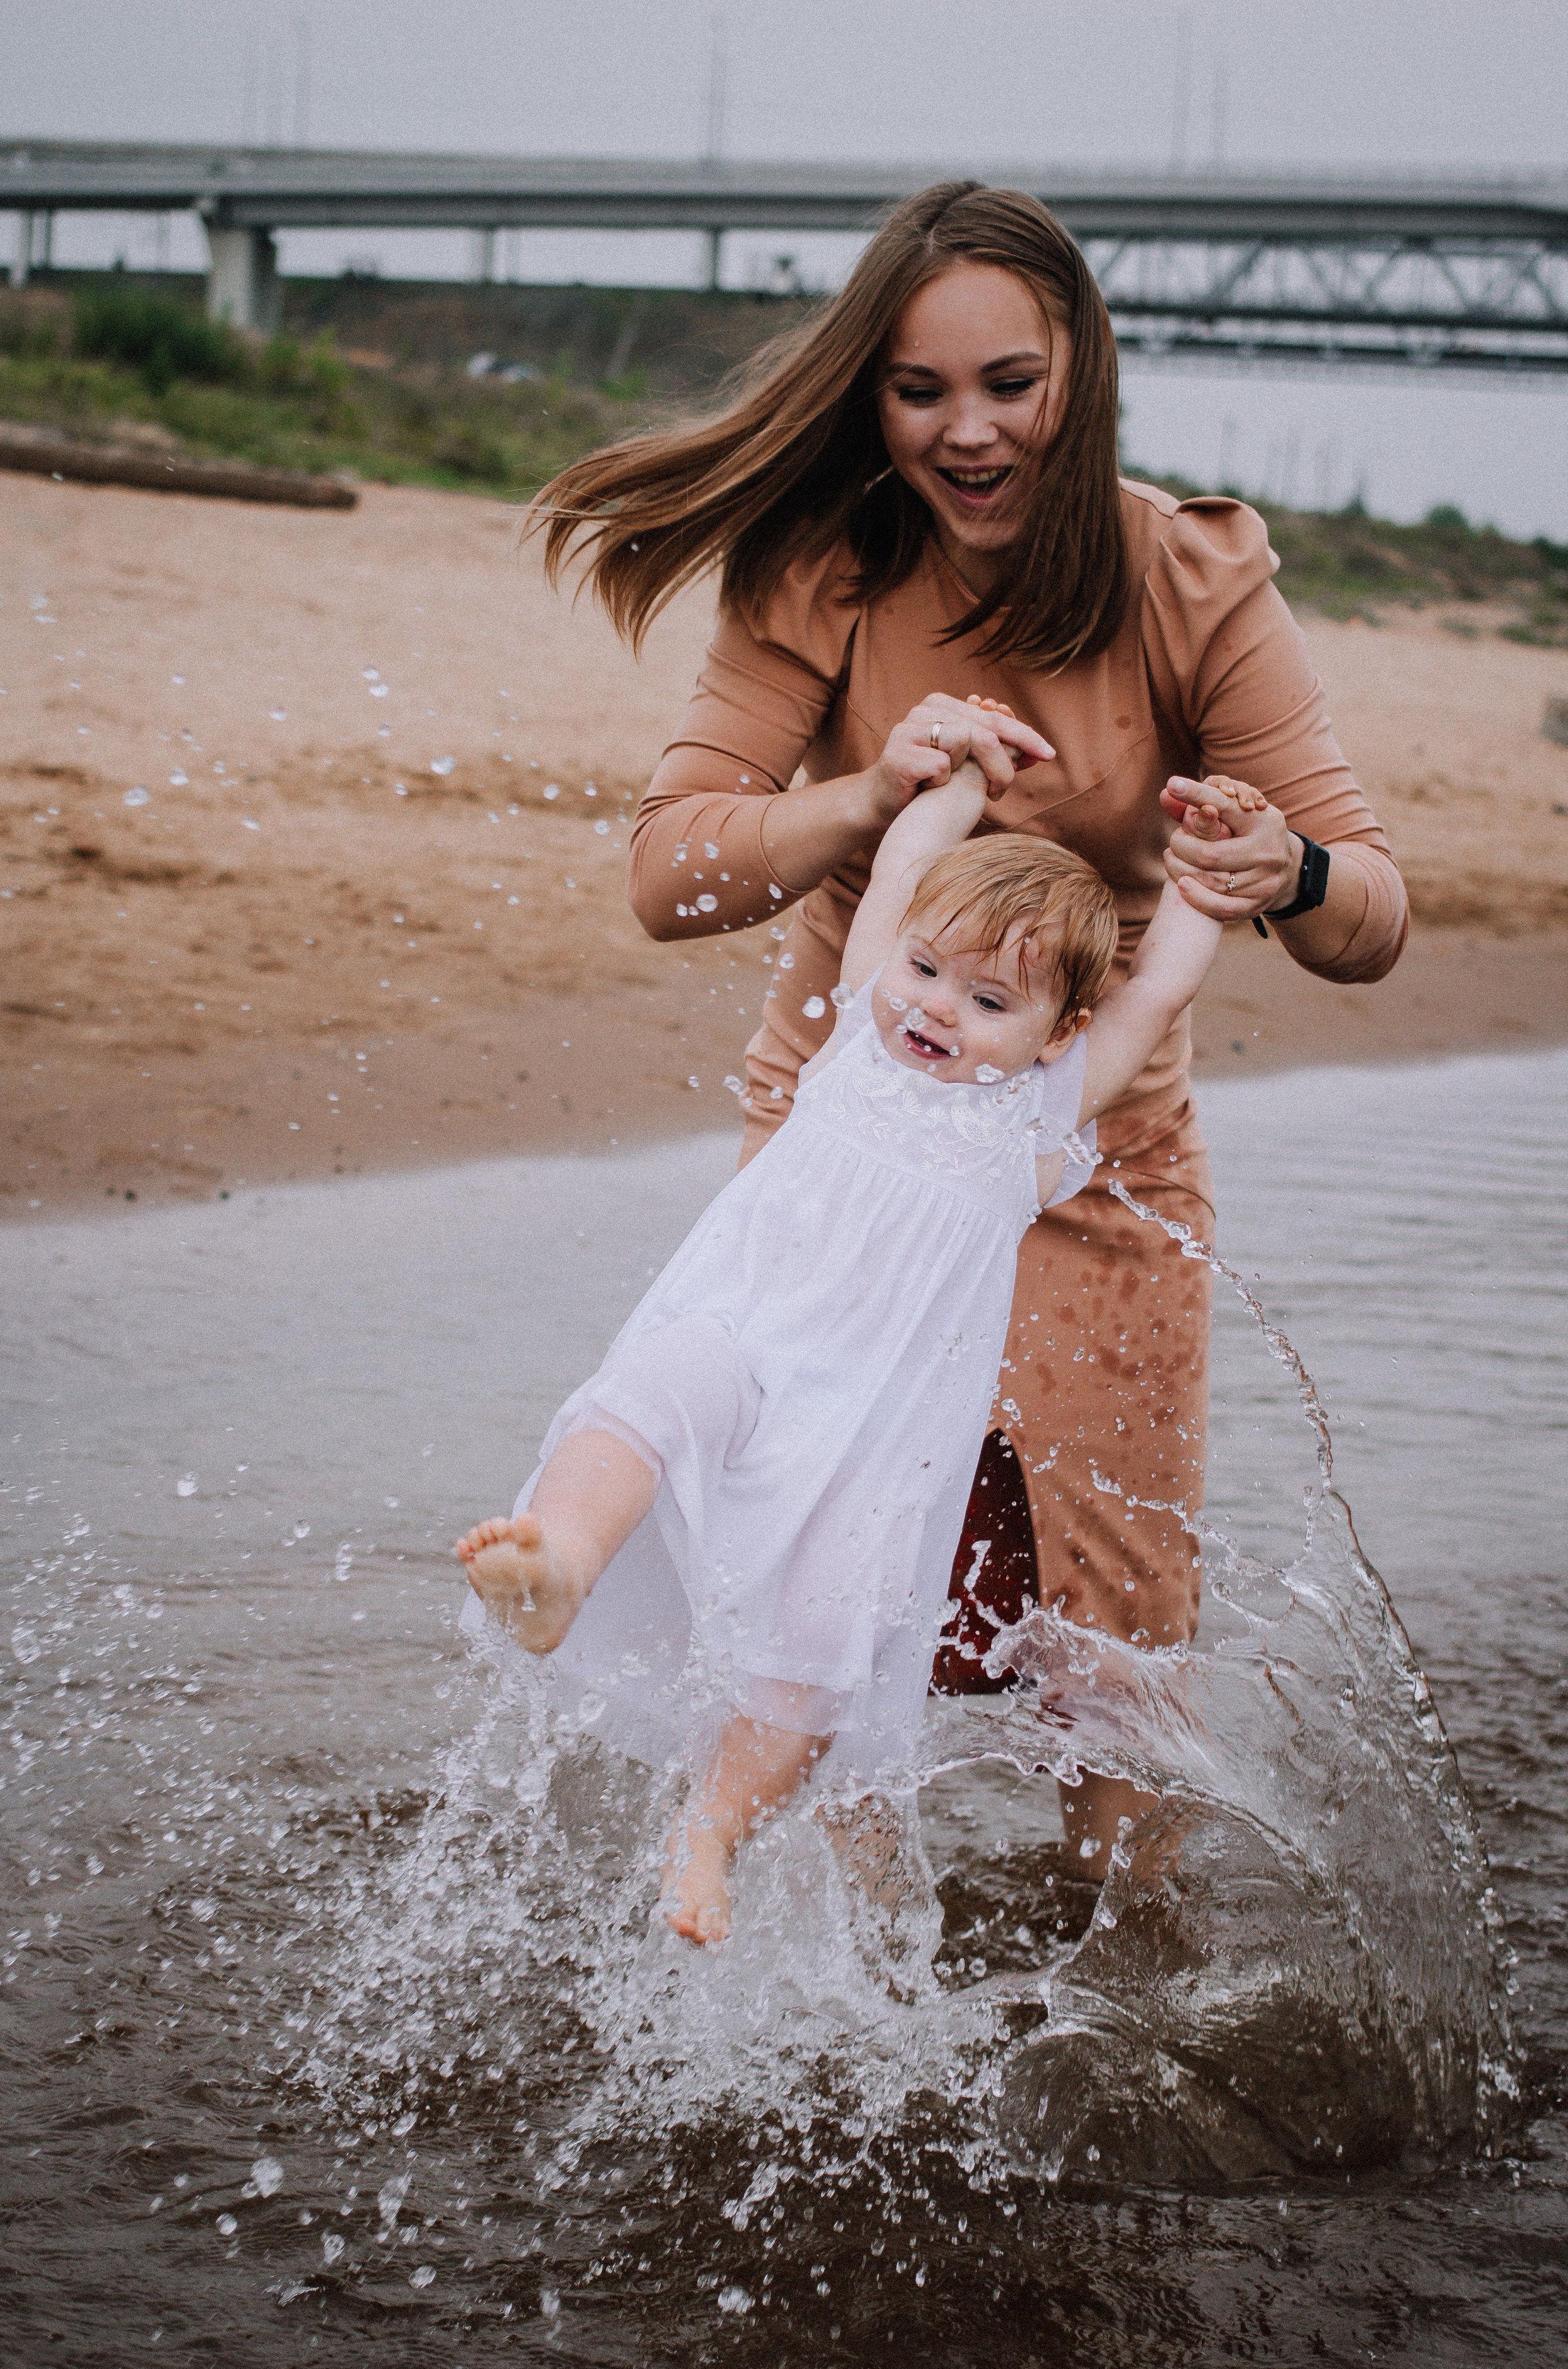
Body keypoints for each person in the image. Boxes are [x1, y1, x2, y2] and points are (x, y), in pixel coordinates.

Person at [533, 182, 1408, 1875]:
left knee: (1110, 1646)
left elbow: (1369, 913)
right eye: (918, 391)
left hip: (1094, 1159)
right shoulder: (825, 568)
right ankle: (846, 1971)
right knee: (816, 1577)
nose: (968, 432)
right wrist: (868, 793)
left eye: (1010, 383)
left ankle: (1127, 1959)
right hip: (849, 1134)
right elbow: (668, 873)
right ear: (873, 399)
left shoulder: (1189, 577)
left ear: (1082, 371)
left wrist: (1286, 869)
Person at [457, 734, 1226, 1944]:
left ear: (1057, 1031)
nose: (937, 1009)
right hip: (744, 1347)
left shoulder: (1037, 1120)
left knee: (822, 1647)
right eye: (925, 968)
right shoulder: (861, 1034)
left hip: (872, 1444)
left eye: (989, 1002)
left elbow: (1157, 990)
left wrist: (1207, 877)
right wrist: (958, 786)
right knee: (640, 1403)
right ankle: (560, 1562)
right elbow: (904, 865)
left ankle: (710, 1831)